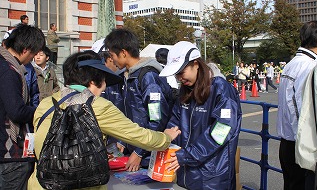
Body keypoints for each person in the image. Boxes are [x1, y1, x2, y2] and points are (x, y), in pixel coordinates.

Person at [27, 50, 181, 189]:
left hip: (40, 184)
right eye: (104, 80)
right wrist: (166, 138)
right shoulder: (97, 105)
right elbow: (139, 136)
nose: (105, 87)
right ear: (93, 82)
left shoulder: (45, 104)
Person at [161, 41, 242, 190]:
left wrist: (186, 156)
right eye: (176, 74)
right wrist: (165, 136)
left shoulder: (221, 89)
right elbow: (175, 120)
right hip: (186, 171)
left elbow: (221, 131)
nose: (179, 78)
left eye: (181, 72)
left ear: (196, 64)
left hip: (213, 176)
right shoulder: (185, 92)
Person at [104, 28, 173, 171]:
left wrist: (139, 152)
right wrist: (123, 141)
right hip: (133, 153)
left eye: (112, 55)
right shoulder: (125, 77)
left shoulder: (148, 77)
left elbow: (157, 119)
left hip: (148, 157)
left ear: (123, 53)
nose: (112, 60)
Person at [0, 24, 45, 190]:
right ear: (26, 49)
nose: (32, 58)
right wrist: (42, 112)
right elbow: (16, 111)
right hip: (10, 153)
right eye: (33, 53)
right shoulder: (9, 70)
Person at [277, 20, 317, 190]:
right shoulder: (311, 67)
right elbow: (304, 109)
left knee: (291, 184)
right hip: (301, 144)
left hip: (286, 143)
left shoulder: (291, 64)